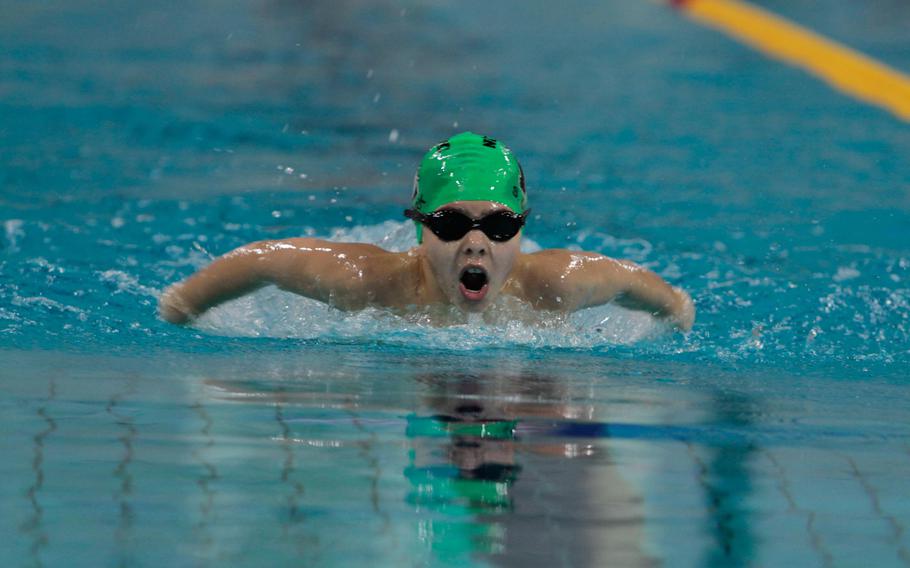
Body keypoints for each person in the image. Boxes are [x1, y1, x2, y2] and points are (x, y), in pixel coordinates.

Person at [158, 132, 695, 330]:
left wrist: (677, 310)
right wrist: (182, 305)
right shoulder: (369, 282)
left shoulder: (554, 284)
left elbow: (640, 286)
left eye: (501, 225)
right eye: (453, 223)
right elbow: (262, 261)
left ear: (522, 230)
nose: (477, 242)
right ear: (419, 230)